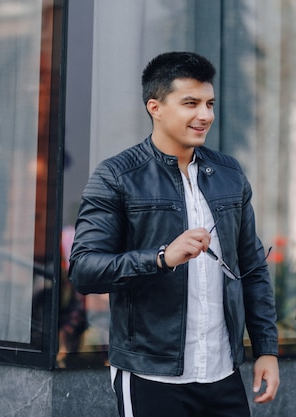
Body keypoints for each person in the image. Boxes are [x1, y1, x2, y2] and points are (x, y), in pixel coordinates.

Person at [69, 51, 279, 417]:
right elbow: (85, 269)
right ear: (156, 107)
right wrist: (161, 258)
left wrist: (266, 349)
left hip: (222, 372)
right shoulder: (117, 177)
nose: (205, 115)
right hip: (151, 376)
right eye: (191, 103)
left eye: (210, 104)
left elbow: (252, 269)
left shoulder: (230, 174)